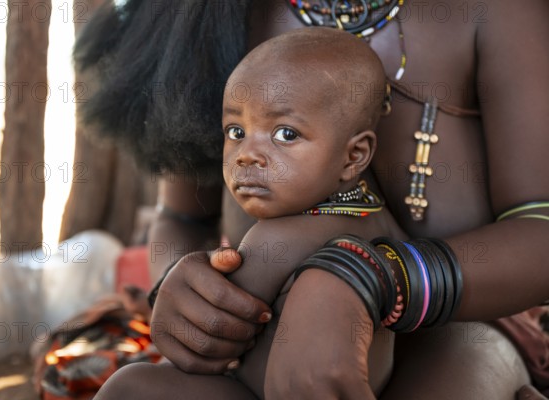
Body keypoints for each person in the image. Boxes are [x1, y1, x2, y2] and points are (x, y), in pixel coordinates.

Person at [74, 0, 549, 398]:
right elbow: (179, 217)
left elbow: (540, 226)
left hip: (465, 331)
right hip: (256, 349)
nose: (248, 153)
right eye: (237, 132)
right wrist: (186, 298)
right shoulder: (207, 14)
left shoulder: (495, 12)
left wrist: (370, 277)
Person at [95, 26, 402, 399]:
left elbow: (206, 345)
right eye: (237, 130)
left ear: (354, 156)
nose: (246, 155)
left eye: (285, 134)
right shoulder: (380, 220)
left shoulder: (278, 238)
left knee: (130, 385)